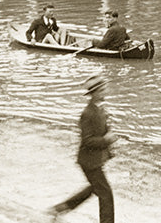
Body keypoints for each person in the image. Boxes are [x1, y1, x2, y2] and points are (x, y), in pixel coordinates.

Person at [50, 75, 117, 223]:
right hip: (89, 162)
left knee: (94, 189)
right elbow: (87, 140)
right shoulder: (87, 113)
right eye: (103, 89)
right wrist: (106, 140)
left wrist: (109, 141)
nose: (105, 92)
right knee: (105, 194)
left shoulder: (100, 109)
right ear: (96, 92)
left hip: (95, 160)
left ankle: (60, 208)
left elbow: (103, 130)